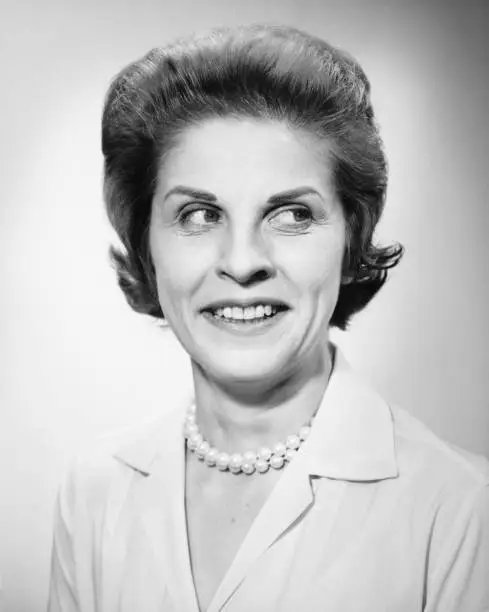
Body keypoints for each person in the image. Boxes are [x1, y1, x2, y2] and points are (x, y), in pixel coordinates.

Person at [47, 23, 489, 612]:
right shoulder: (92, 491)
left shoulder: (463, 511)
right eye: (200, 215)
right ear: (145, 243)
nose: (242, 261)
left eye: (291, 215)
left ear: (351, 240)